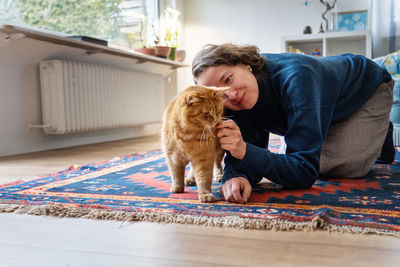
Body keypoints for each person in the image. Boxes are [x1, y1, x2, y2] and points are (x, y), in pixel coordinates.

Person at [192, 43, 394, 204]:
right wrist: (236, 176)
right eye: (219, 95)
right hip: (318, 103)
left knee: (339, 168)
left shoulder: (298, 77)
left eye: (228, 78)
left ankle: (382, 131)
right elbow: (242, 150)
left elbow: (305, 171)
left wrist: (248, 152)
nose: (232, 95)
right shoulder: (230, 102)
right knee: (287, 160)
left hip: (365, 88)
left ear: (245, 65)